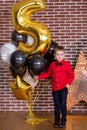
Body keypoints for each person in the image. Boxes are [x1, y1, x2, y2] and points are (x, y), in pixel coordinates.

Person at [34, 46, 74, 128]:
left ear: (64, 55)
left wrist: (68, 83)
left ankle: (63, 120)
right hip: (55, 89)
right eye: (58, 54)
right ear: (55, 56)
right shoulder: (52, 65)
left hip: (63, 88)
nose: (59, 56)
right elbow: (47, 74)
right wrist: (38, 77)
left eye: (61, 54)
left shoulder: (67, 65)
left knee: (63, 104)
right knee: (56, 105)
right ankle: (57, 121)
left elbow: (71, 75)